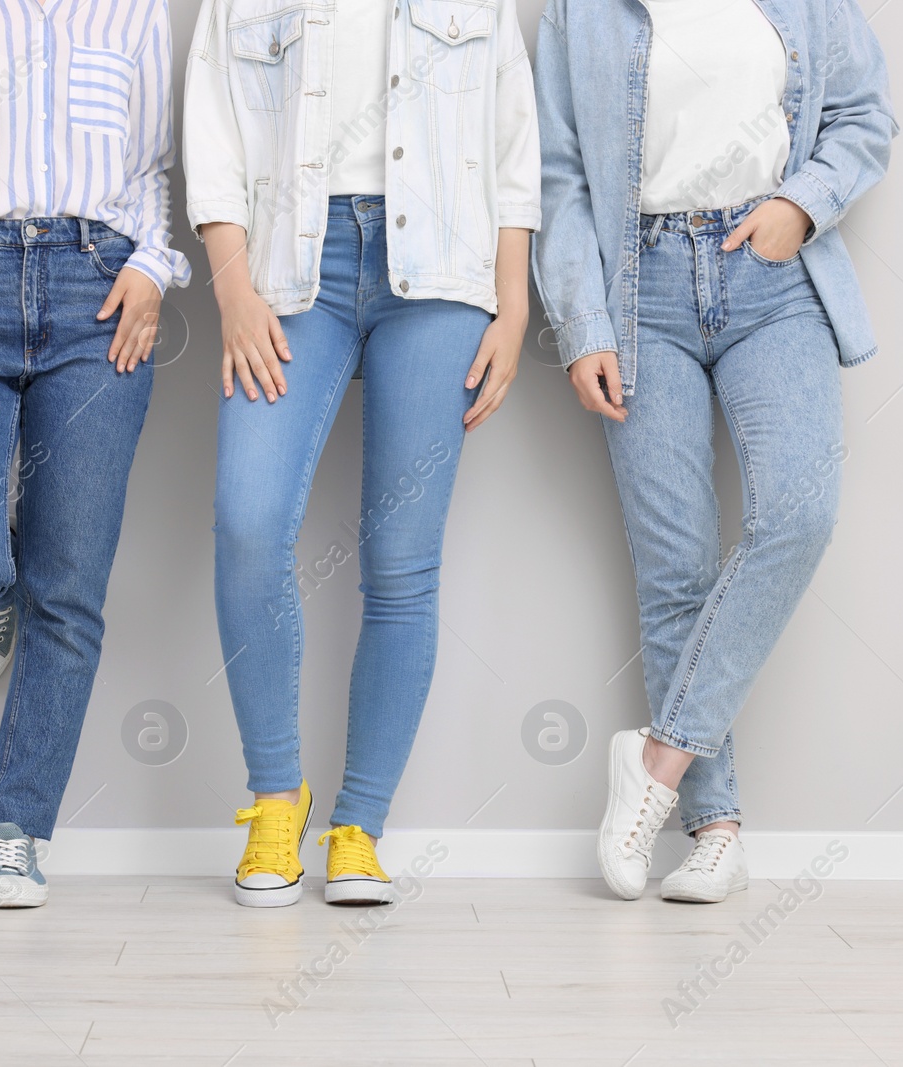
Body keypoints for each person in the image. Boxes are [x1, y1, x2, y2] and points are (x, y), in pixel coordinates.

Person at [533, 0, 896, 902]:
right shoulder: (577, 13)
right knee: (676, 571)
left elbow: (864, 114)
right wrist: (582, 324)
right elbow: (559, 173)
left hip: (771, 275)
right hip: (639, 288)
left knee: (798, 509)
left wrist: (800, 205)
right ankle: (715, 831)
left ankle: (655, 760)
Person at [184, 0, 540, 906]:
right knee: (248, 523)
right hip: (286, 272)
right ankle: (275, 800)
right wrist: (232, 294)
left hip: (441, 274)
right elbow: (213, 127)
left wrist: (513, 304)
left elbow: (513, 140)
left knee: (401, 562)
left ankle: (359, 827)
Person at [0, 0, 188, 907]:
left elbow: (155, 168)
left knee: (73, 586)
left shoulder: (136, 11)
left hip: (98, 291)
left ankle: (18, 826)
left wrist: (152, 264)